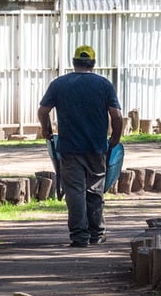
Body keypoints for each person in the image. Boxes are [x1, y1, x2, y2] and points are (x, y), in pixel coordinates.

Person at [38, 45, 124, 247]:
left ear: (73, 62)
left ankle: (79, 236)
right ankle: (96, 233)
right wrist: (116, 137)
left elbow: (43, 111)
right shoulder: (104, 85)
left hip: (69, 148)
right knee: (95, 189)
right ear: (93, 63)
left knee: (75, 191)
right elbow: (117, 115)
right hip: (96, 148)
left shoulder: (59, 84)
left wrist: (47, 130)